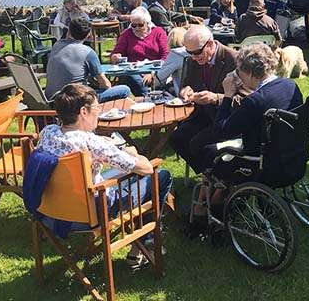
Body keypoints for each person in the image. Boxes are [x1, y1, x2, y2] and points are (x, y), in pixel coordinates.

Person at [33, 83, 172, 269]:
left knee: (127, 174)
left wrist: (104, 144)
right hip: (91, 213)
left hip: (51, 211)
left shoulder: (48, 132)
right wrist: (133, 153)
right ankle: (144, 244)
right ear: (84, 111)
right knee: (160, 175)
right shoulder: (91, 142)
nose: (98, 112)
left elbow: (74, 144)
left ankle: (139, 247)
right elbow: (146, 167)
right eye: (97, 108)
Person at [190, 43, 303, 220]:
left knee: (209, 151)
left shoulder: (255, 101)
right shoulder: (290, 85)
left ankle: (213, 200)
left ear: (249, 73)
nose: (238, 75)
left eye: (239, 71)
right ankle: (216, 196)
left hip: (262, 162)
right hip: (292, 151)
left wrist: (228, 95)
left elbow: (221, 131)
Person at [168, 25, 237, 174]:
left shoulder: (234, 59)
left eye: (197, 52)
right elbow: (187, 83)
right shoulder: (192, 60)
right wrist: (185, 90)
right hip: (203, 114)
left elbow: (247, 97)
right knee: (175, 138)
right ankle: (210, 174)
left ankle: (218, 177)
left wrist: (216, 98)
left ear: (210, 44)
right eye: (189, 52)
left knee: (196, 144)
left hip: (226, 117)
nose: (193, 57)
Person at [44, 18, 131, 103]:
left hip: (53, 100)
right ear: (88, 35)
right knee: (124, 90)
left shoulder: (56, 45)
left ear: (68, 31)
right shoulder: (88, 52)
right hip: (75, 101)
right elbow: (106, 85)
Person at [110, 8, 168, 96]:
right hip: (133, 71)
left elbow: (166, 56)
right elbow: (116, 53)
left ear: (147, 23)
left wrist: (152, 73)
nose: (137, 28)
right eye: (133, 25)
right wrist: (115, 57)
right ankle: (146, 99)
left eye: (140, 25)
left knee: (146, 82)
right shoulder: (127, 34)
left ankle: (148, 100)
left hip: (155, 70)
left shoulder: (158, 32)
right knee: (139, 82)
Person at [154, 27, 189, 95]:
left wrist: (152, 76)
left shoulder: (176, 54)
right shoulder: (193, 52)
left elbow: (159, 79)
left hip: (182, 94)